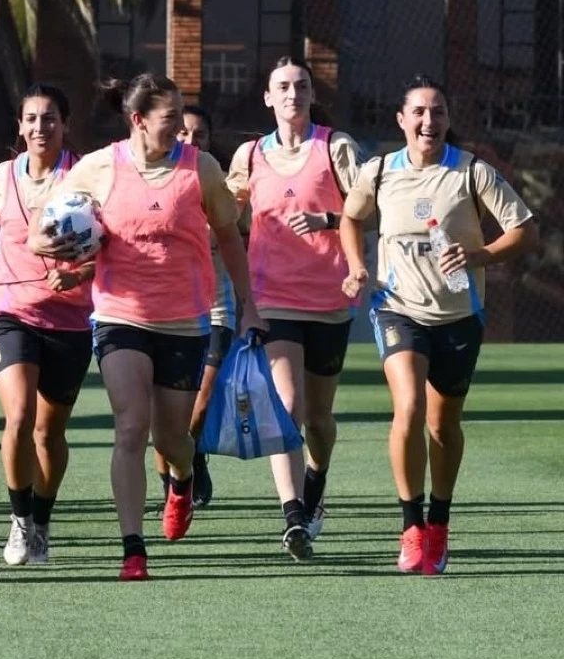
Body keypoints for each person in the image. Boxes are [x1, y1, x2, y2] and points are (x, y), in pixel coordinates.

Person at [34, 74, 263, 581]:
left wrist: (248, 305)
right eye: (170, 117)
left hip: (184, 320)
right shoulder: (99, 167)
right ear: (138, 121)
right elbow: (42, 228)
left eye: (182, 114)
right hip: (120, 316)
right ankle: (133, 549)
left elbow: (228, 235)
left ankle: (181, 480)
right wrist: (55, 252)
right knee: (131, 427)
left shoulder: (200, 168)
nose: (181, 126)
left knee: (171, 439)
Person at [340, 75, 537, 575]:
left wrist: (480, 255)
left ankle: (439, 524)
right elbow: (350, 217)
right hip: (396, 308)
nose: (431, 121)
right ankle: (410, 527)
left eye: (440, 112)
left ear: (448, 120)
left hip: (459, 316)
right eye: (421, 112)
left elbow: (524, 231)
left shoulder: (472, 173)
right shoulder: (379, 171)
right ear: (402, 120)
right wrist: (357, 267)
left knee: (443, 424)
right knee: (407, 406)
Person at [225, 56, 364, 560]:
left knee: (320, 418)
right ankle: (293, 515)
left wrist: (328, 219)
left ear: (310, 94)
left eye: (300, 85)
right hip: (272, 298)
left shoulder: (336, 146)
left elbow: (364, 209)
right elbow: (227, 215)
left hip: (328, 299)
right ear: (267, 97)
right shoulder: (250, 155)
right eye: (282, 86)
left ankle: (317, 480)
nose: (292, 93)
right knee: (286, 408)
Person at [0, 84, 92, 566]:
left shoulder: (84, 176)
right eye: (31, 118)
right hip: (7, 310)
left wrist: (78, 272)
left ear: (65, 124)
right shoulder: (1, 175)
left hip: (70, 318)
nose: (40, 127)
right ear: (20, 125)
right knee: (19, 417)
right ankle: (17, 521)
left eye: (50, 117)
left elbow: (109, 245)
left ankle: (41, 520)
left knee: (49, 434)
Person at [153, 105, 236, 507]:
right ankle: (171, 483)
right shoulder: (151, 182)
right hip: (162, 315)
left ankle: (194, 458)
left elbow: (239, 237)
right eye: (182, 132)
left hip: (215, 311)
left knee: (198, 406)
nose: (189, 140)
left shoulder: (219, 182)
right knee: (163, 417)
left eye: (198, 134)